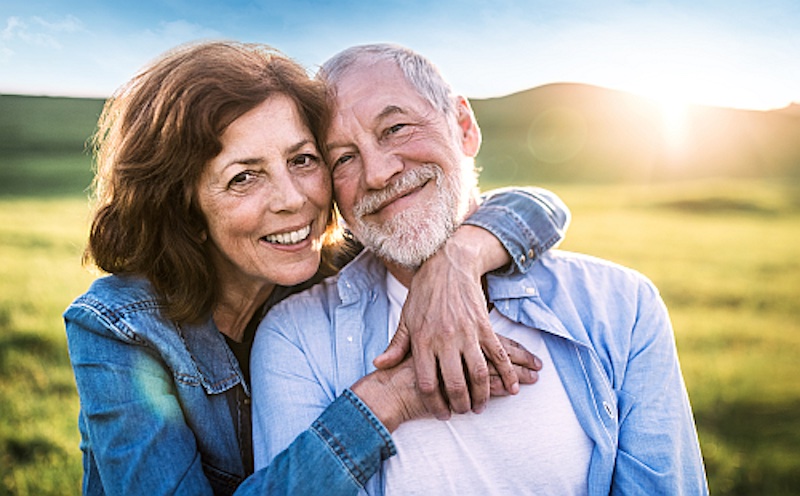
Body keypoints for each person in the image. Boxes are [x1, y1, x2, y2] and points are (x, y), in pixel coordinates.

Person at [63, 41, 569, 495]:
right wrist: (385, 399)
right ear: (182, 206)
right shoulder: (118, 330)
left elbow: (537, 205)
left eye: (303, 160)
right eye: (244, 177)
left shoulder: (336, 263)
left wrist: (456, 261)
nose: (294, 200)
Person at [250, 43, 709, 495]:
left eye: (396, 129)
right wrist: (389, 396)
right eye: (343, 158)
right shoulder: (297, 336)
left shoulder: (620, 304)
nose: (377, 173)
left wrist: (457, 260)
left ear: (465, 127)